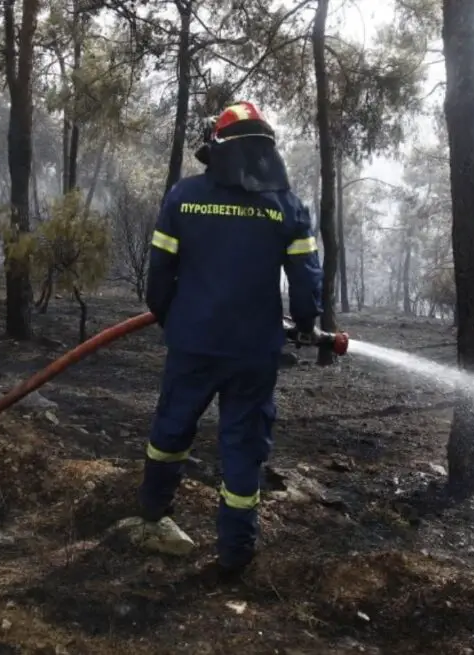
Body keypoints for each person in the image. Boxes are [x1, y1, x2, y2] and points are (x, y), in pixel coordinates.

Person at [141, 100, 323, 579]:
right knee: (243, 446)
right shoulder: (287, 207)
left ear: (217, 147)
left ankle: (152, 513)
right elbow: (305, 283)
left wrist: (168, 316)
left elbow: (160, 272)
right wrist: (305, 322)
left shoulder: (184, 197)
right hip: (254, 351)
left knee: (172, 428)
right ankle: (235, 552)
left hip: (193, 342)